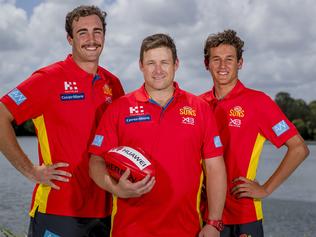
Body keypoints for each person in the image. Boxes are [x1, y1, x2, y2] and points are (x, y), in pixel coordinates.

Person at [0, 5, 124, 237]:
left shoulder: (113, 84)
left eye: (97, 31)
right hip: (58, 210)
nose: (91, 39)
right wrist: (30, 170)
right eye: (82, 32)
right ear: (70, 38)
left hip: (105, 210)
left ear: (104, 36)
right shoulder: (48, 78)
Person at [88, 33, 227, 237]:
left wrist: (214, 222)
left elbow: (215, 167)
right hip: (129, 231)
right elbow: (95, 162)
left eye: (164, 62)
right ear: (141, 66)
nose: (158, 70)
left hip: (187, 230)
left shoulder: (200, 109)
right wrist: (116, 189)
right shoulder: (118, 109)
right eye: (151, 63)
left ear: (176, 64)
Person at [200, 29, 310, 237]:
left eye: (229, 59)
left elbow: (299, 149)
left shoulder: (258, 102)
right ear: (207, 64)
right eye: (216, 59)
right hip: (202, 215)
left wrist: (266, 189)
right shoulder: (198, 105)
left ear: (240, 63)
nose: (223, 66)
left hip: (243, 216)